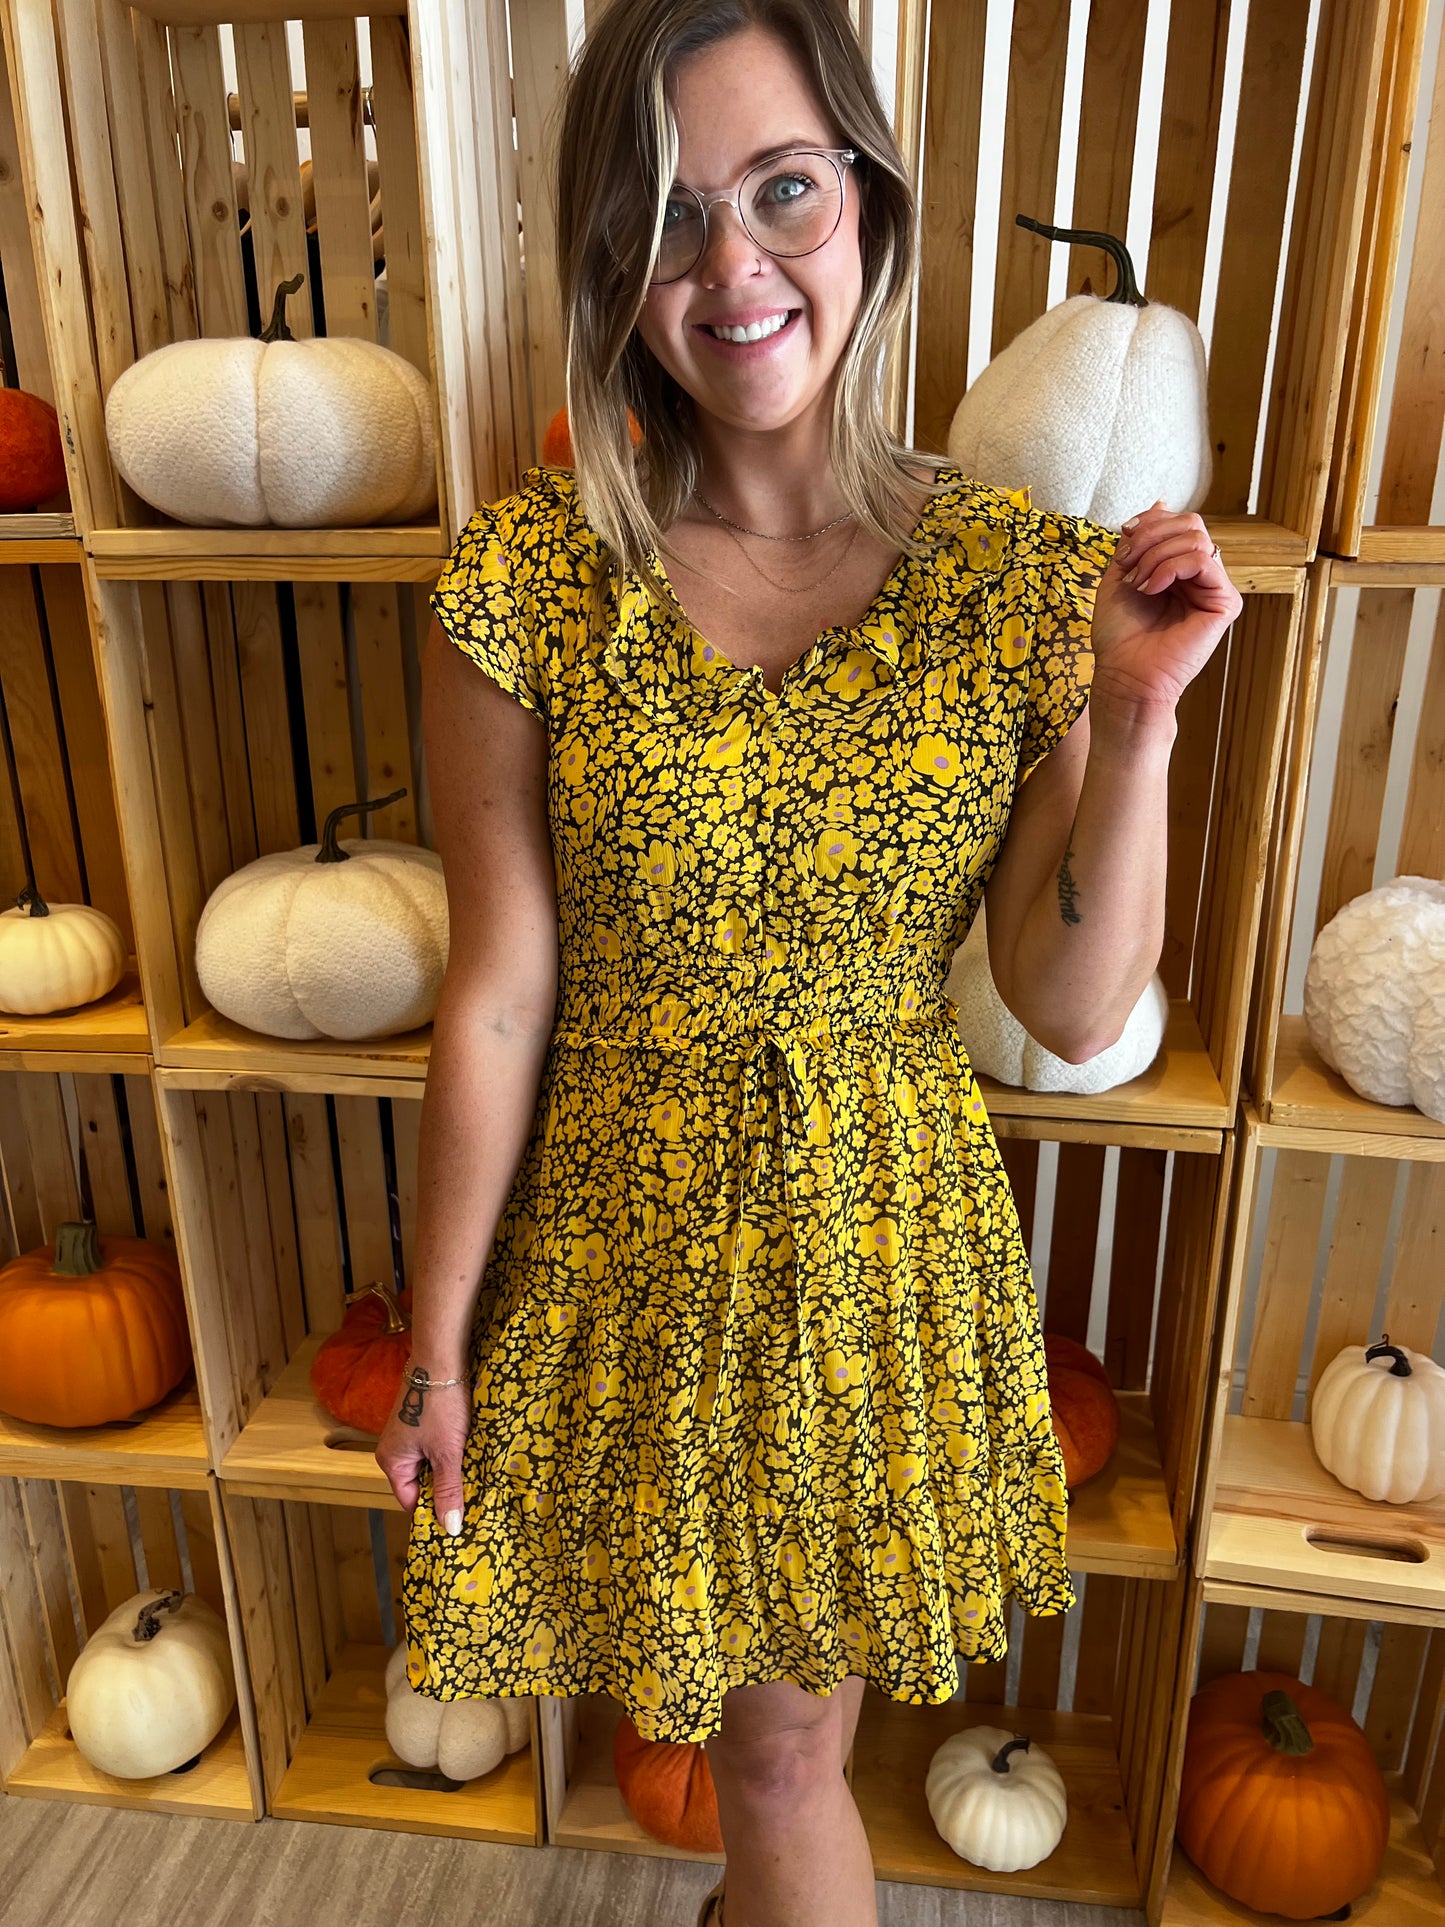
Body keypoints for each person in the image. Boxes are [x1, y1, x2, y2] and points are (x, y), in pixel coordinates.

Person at [375, 1, 1243, 1921]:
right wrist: (435, 1340)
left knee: (777, 1755)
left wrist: (1137, 720)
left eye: (782, 191)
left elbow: (1074, 1000)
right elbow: (500, 988)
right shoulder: (528, 580)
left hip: (873, 1245)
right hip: (629, 1235)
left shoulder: (1017, 575)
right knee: (728, 1751)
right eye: (666, 217)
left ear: (868, 200)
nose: (732, 266)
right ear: (609, 258)